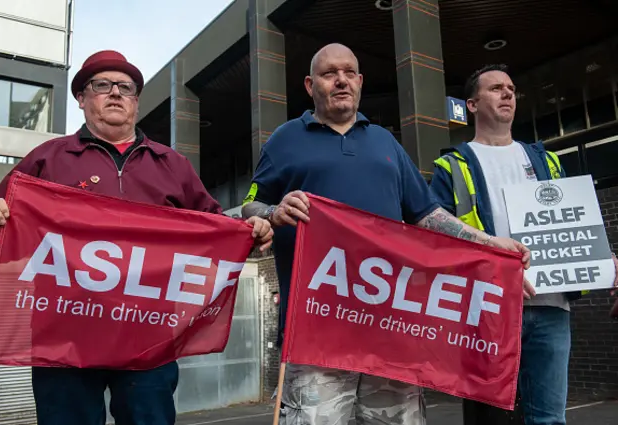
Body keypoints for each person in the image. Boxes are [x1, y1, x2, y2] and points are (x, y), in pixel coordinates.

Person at [0, 50, 273, 425]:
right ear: (82, 99)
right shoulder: (47, 160)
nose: (115, 93)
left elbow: (217, 230)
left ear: (135, 100)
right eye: (102, 85)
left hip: (149, 337)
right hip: (64, 334)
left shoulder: (172, 165)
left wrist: (252, 232)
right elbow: (0, 226)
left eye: (125, 87)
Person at [242, 44, 532, 425]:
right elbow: (251, 204)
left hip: (390, 331)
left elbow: (428, 215)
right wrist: (272, 212)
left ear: (361, 82)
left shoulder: (385, 142)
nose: (341, 80)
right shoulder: (284, 139)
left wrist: (491, 244)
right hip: (316, 331)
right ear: (311, 85)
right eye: (330, 74)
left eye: (349, 72)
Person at [429, 64, 618, 425]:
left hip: (550, 308)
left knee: (549, 419)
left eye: (512, 89)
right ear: (471, 104)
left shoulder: (547, 161)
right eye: (496, 88)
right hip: (488, 311)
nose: (507, 94)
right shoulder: (451, 166)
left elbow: (572, 222)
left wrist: (602, 257)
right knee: (490, 419)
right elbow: (433, 236)